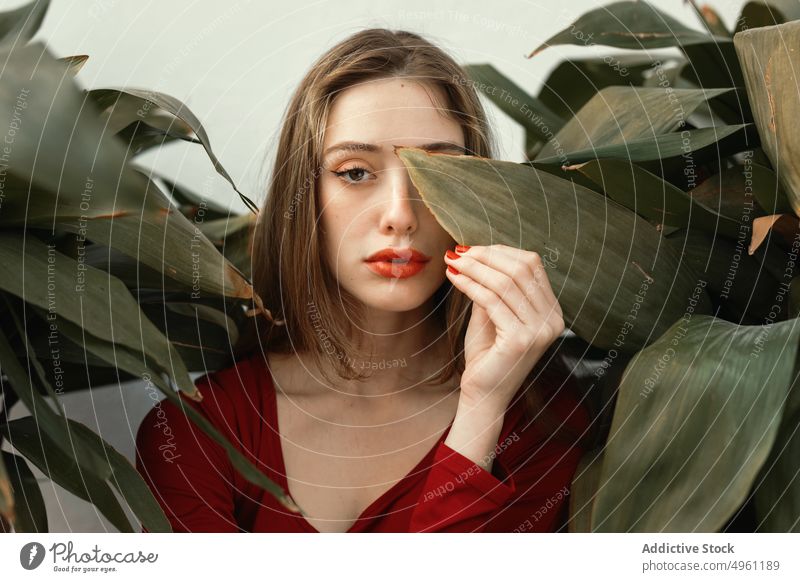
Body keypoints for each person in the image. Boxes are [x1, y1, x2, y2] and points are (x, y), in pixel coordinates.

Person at [135, 28, 595, 533]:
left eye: (439, 173)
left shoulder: (545, 421)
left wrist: (482, 409)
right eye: (355, 172)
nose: (400, 215)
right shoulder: (194, 432)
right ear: (302, 197)